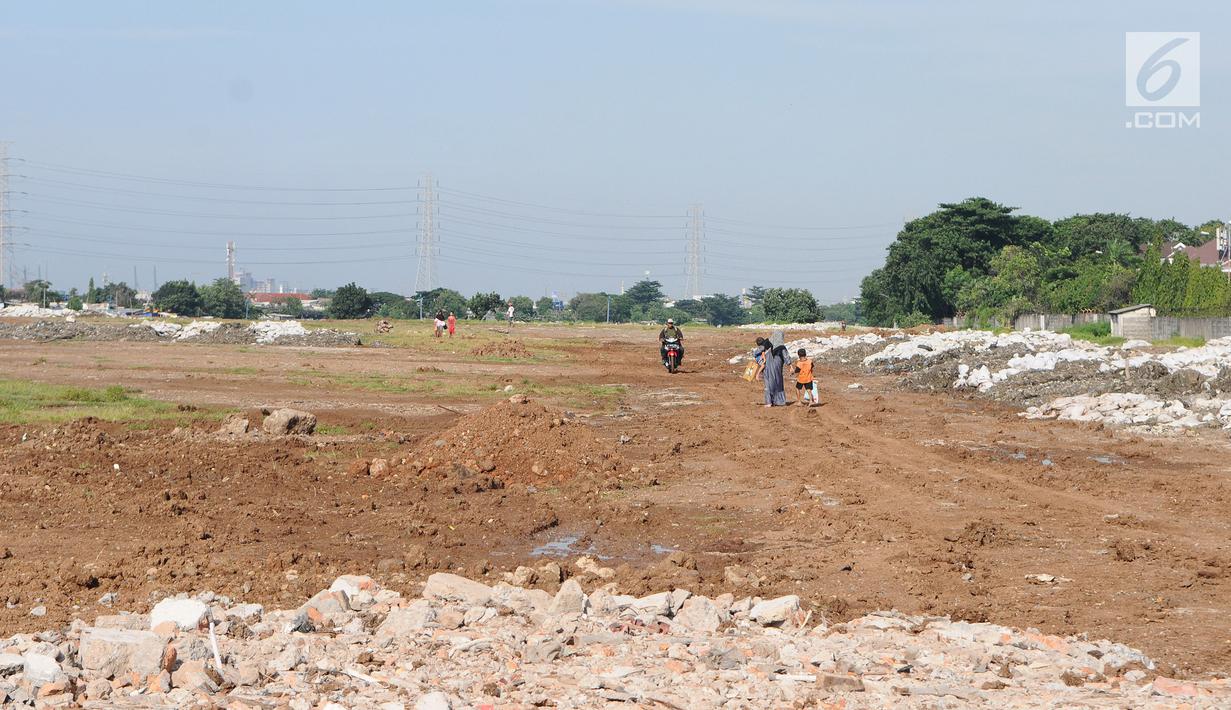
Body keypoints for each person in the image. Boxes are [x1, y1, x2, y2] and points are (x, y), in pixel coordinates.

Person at [754, 337, 788, 407]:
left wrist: (757, 374)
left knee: (768, 387)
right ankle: (778, 401)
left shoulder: (759, 354)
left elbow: (763, 365)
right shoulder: (771, 351)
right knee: (777, 385)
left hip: (768, 373)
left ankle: (769, 402)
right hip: (775, 372)